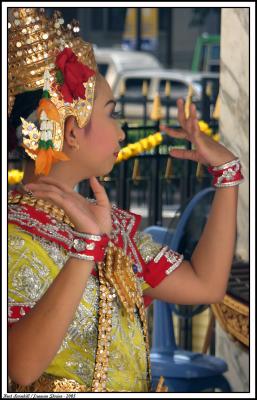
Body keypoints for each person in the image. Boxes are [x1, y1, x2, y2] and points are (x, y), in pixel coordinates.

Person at [7, 8, 244, 393]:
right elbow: (21, 367)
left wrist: (228, 175)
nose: (120, 132)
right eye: (111, 114)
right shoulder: (14, 235)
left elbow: (205, 285)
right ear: (70, 132)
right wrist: (87, 248)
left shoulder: (109, 225)